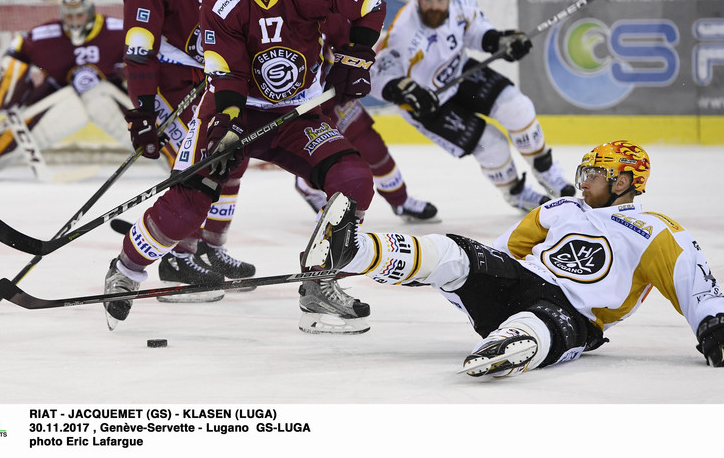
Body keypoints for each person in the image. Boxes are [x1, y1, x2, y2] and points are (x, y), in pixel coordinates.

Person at [105, 0, 386, 335]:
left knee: (354, 181)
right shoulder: (219, 0)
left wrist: (357, 57)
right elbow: (227, 74)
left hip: (298, 115)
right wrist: (229, 123)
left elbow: (371, 1)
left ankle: (320, 281)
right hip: (234, 109)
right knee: (186, 208)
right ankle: (126, 270)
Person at [304, 140, 724, 377]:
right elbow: (503, 253)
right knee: (455, 251)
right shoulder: (559, 209)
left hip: (578, 314)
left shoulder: (653, 231)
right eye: (584, 172)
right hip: (521, 282)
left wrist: (714, 324)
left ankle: (506, 346)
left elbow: (694, 281)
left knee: (541, 321)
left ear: (625, 181)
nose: (583, 182)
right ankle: (352, 249)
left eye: (594, 174)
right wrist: (465, 269)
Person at [120, 0, 253, 301]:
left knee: (234, 153)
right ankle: (179, 256)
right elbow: (139, 50)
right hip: (168, 84)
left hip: (211, 77)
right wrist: (143, 113)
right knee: (198, 165)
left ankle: (212, 248)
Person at [373, 0, 573, 213]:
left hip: (460, 72)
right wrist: (400, 88)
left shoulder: (463, 2)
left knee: (518, 108)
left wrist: (498, 40)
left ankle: (546, 171)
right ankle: (517, 195)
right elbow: (377, 73)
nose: (434, 6)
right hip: (428, 103)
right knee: (493, 145)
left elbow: (475, 32)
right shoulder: (402, 32)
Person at [0, 0, 131, 179]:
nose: (74, 21)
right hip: (59, 92)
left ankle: (170, 154)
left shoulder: (118, 31)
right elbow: (19, 47)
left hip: (108, 91)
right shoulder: (46, 35)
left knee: (136, 118)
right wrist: (8, 80)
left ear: (91, 13)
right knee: (27, 124)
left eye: (79, 15)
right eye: (69, 16)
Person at [294, 14, 438, 223]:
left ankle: (401, 200)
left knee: (371, 146)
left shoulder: (316, 7)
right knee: (317, 156)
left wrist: (348, 69)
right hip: (295, 102)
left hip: (330, 93)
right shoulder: (264, 17)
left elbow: (346, 42)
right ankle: (308, 186)